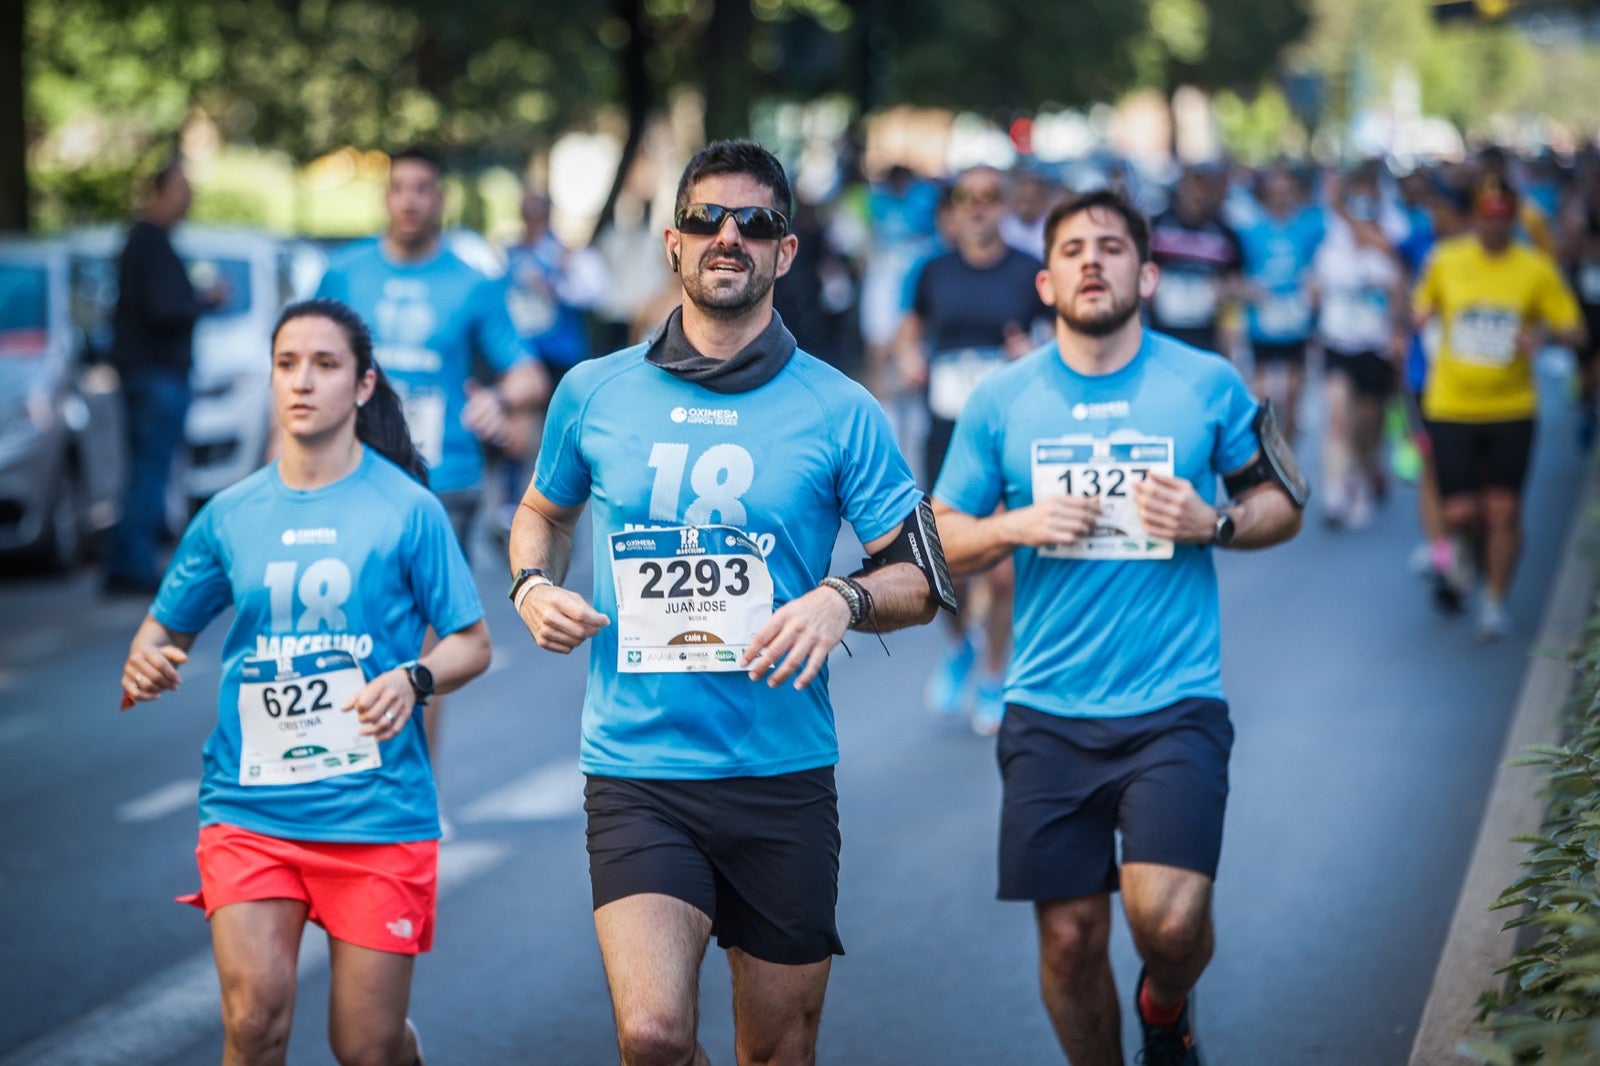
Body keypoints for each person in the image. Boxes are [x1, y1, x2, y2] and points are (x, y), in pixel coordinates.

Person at [508, 140, 946, 1066]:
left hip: (780, 775)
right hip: (638, 770)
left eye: (756, 223)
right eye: (707, 219)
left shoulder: (841, 409)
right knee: (655, 1037)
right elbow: (541, 514)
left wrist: (843, 598)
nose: (728, 237)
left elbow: (922, 577)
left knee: (776, 1051)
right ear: (673, 244)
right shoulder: (594, 392)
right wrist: (531, 583)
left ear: (786, 253)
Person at [932, 189, 1304, 1065]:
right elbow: (940, 536)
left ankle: (1166, 1008)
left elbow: (1283, 501)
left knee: (1169, 923)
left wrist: (1210, 522)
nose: (1092, 260)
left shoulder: (1204, 383)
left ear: (1149, 271)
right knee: (1068, 941)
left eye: (1111, 246)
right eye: (1072, 249)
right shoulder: (1002, 400)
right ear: (1046, 279)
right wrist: (1014, 527)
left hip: (1174, 703)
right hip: (1047, 709)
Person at [118, 297, 492, 1066]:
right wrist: (146, 658)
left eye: (325, 365)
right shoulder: (229, 515)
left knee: (367, 1047)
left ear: (362, 386)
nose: (301, 381)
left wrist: (413, 679)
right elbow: (162, 630)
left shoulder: (410, 510)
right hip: (251, 807)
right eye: (287, 364)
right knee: (254, 1023)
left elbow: (472, 643)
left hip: (375, 816)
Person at [316, 145, 547, 783]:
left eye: (423, 188)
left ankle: (416, 795)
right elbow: (298, 365)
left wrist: (498, 399)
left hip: (437, 483)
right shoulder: (344, 275)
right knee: (345, 637)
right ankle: (344, 782)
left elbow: (528, 375)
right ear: (386, 197)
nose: (411, 199)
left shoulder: (472, 285)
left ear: (439, 198)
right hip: (350, 476)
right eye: (400, 188)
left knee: (419, 652)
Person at [894, 164, 1050, 734]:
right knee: (947, 565)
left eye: (990, 197)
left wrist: (1027, 354)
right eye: (968, 198)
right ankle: (960, 644)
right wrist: (909, 357)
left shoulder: (1029, 271)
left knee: (1003, 572)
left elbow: (1058, 347)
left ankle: (992, 672)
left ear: (1005, 203)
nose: (980, 207)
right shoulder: (932, 270)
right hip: (946, 431)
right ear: (955, 208)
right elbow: (909, 329)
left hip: (1008, 434)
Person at [1413, 177, 1584, 638]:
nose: (1494, 228)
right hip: (1451, 405)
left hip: (1512, 406)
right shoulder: (1446, 260)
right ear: (1474, 219)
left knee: (1504, 509)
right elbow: (1418, 309)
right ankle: (1466, 555)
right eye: (1486, 219)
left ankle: (1494, 601)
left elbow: (1575, 329)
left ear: (1514, 220)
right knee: (1461, 513)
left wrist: (1543, 336)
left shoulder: (1535, 268)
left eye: (1503, 220)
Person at [102, 156, 226, 595]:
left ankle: (128, 560)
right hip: (155, 377)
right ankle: (132, 564)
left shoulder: (149, 242)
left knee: (144, 471)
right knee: (149, 471)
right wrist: (204, 300)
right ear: (159, 193)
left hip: (150, 375)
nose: (187, 200)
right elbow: (164, 309)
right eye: (180, 190)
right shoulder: (149, 242)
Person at [1313, 166, 1408, 530]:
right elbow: (1317, 286)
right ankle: (1335, 495)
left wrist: (1398, 330)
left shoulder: (1393, 228)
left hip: (1375, 345)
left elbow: (1399, 284)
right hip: (1338, 342)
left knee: (1369, 423)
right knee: (1337, 418)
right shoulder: (1330, 242)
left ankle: (1369, 466)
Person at [1237, 166, 1323, 444]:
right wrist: (1248, 290)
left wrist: (1313, 287)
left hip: (1295, 322)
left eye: (1287, 192)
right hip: (1262, 323)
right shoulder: (1251, 231)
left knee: (1293, 395)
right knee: (1262, 394)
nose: (1281, 198)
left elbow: (1322, 262)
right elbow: (1236, 272)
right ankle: (1264, 450)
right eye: (1275, 193)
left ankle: (1288, 455)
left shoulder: (1308, 228)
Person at [1147, 164, 1244, 358]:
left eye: (1206, 187)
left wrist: (1229, 339)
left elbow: (1235, 282)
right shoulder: (1157, 226)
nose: (1198, 194)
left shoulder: (1224, 233)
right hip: (1161, 330)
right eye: (1194, 185)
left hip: (1205, 333)